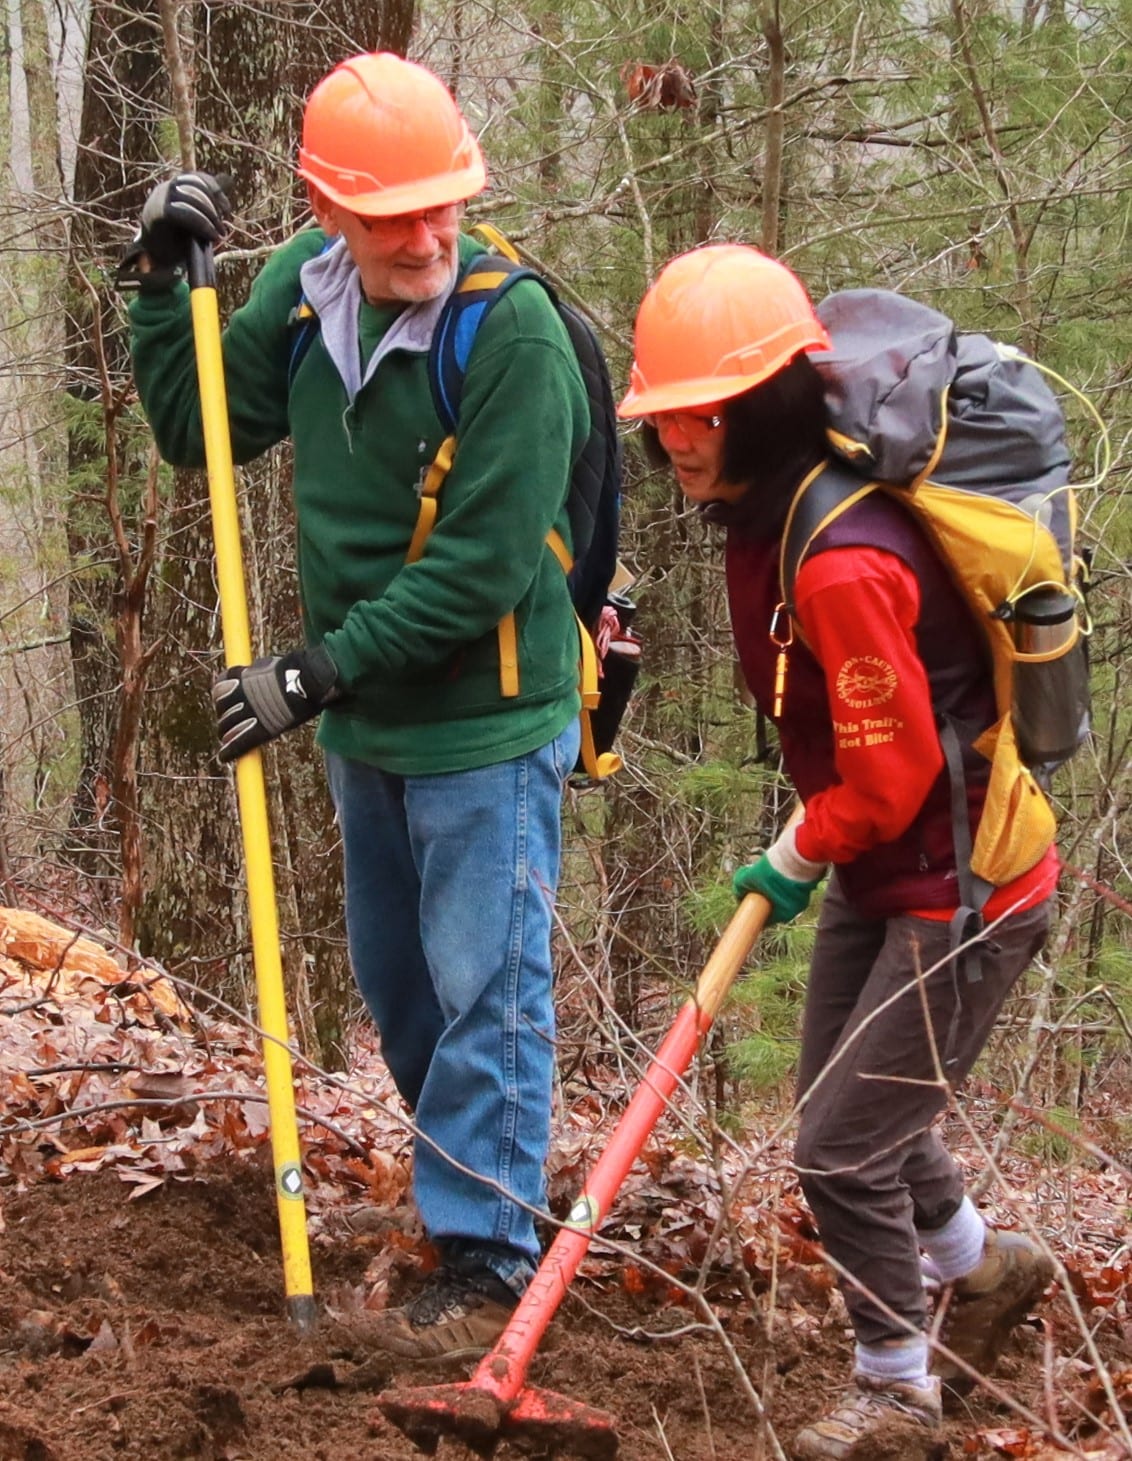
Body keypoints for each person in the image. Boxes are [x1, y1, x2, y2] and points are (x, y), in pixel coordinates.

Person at [123, 51, 590, 1360]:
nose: (426, 235)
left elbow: (486, 567)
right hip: (368, 725)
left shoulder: (517, 334)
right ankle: (462, 1215)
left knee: (486, 986)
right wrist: (164, 286)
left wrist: (310, 670)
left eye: (446, 204)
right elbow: (196, 427)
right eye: (393, 215)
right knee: (402, 992)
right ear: (327, 210)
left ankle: (493, 1261)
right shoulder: (300, 290)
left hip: (489, 727)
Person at [617, 244, 1057, 1460]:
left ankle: (893, 1387)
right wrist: (822, 841)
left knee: (837, 1150)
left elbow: (895, 772)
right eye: (666, 417)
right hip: (891, 863)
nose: (679, 440)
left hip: (963, 885)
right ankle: (981, 1269)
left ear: (764, 406)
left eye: (704, 412)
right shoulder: (768, 514)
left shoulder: (845, 555)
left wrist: (800, 846)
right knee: (849, 1108)